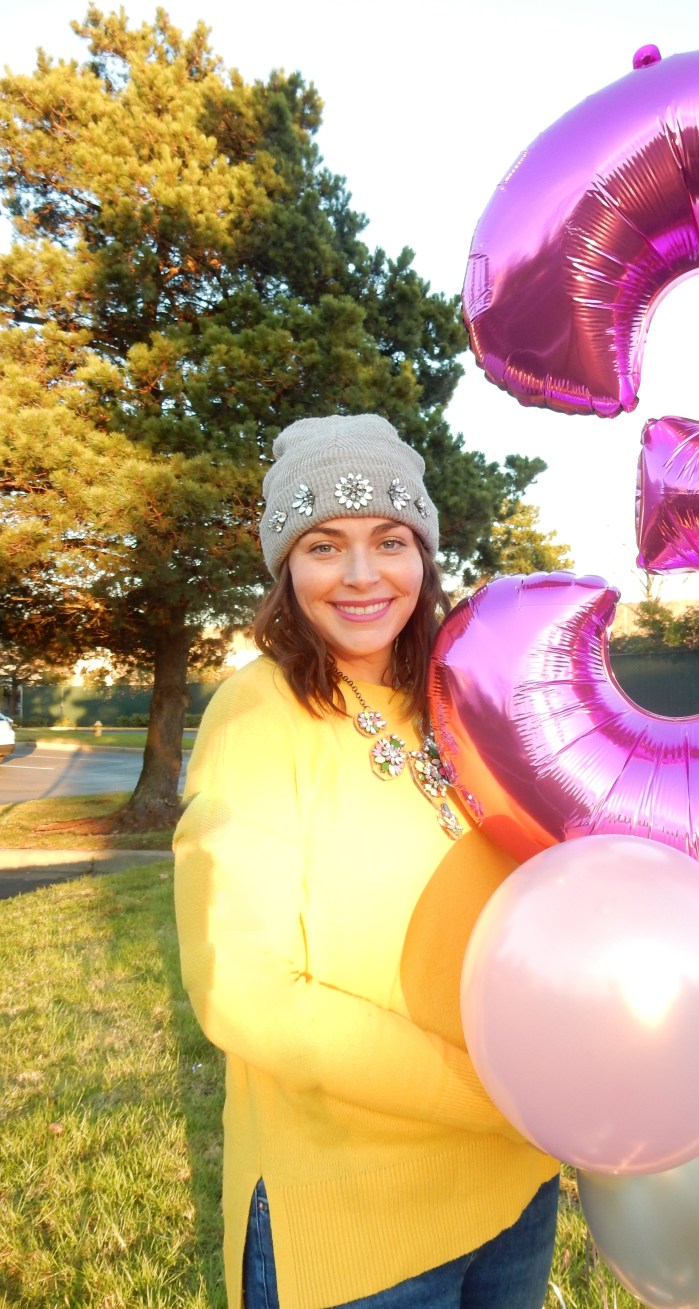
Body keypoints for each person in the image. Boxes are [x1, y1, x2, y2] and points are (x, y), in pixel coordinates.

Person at [173, 413, 560, 1309]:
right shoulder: (258, 713)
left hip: (512, 1184)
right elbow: (245, 989)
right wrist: (494, 1092)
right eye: (323, 544)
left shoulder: (457, 699)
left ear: (422, 553)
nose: (359, 575)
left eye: (389, 539)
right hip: (359, 1225)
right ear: (285, 566)